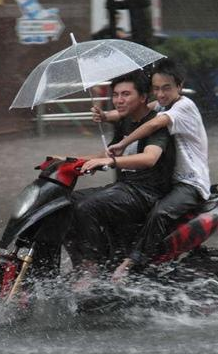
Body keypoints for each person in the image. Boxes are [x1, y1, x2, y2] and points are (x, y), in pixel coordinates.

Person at [99, 58, 212, 282]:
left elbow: (152, 124)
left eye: (166, 88)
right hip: (171, 180)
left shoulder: (184, 106)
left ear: (179, 86)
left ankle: (132, 261)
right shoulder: (162, 104)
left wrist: (123, 143)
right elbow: (135, 111)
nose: (160, 94)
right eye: (156, 89)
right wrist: (105, 116)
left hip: (191, 183)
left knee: (159, 212)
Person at [68, 70, 175, 276]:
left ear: (143, 97)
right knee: (66, 203)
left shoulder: (157, 123)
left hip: (147, 193)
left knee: (86, 206)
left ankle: (91, 270)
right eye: (115, 95)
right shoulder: (124, 121)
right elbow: (105, 154)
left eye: (125, 94)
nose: (118, 100)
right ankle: (82, 264)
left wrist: (111, 161)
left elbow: (149, 158)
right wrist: (68, 161)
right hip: (124, 188)